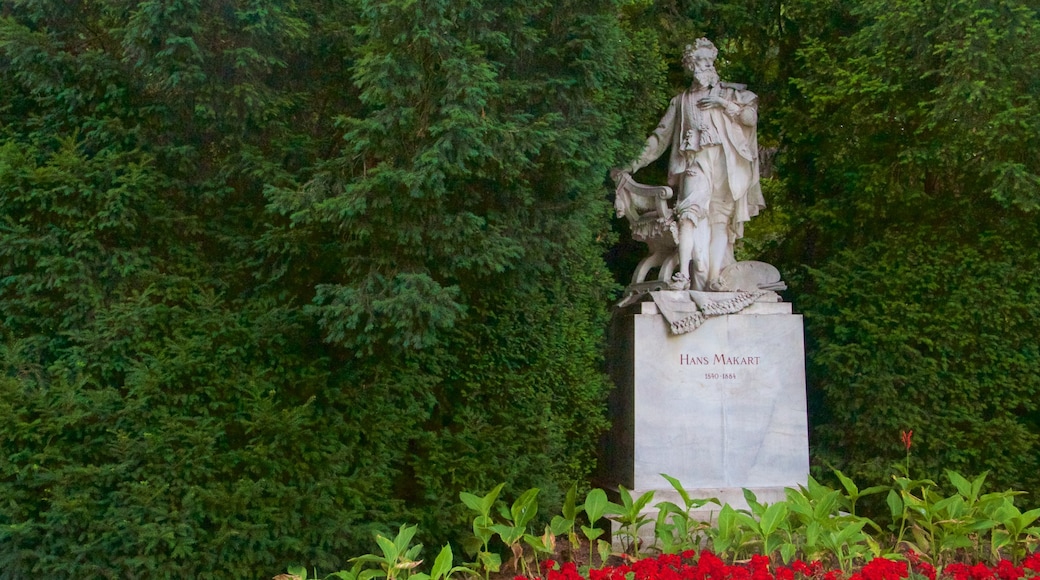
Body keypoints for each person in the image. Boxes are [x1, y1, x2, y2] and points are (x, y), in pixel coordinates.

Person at [617, 38, 765, 291]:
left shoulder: (731, 94)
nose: (704, 66)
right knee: (688, 215)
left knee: (719, 220)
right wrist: (631, 165)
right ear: (690, 66)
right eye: (698, 61)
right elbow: (659, 139)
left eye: (708, 61)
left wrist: (724, 104)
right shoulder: (681, 101)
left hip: (726, 166)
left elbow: (750, 118)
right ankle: (683, 275)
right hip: (695, 163)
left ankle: (715, 278)